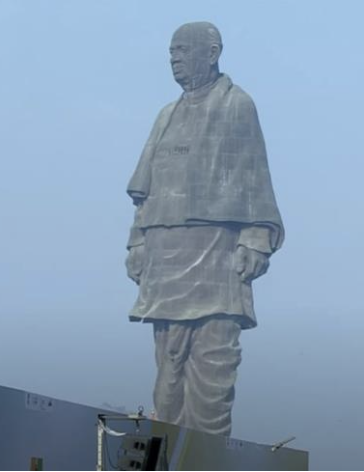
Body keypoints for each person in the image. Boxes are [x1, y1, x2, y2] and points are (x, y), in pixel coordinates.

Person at [125, 22, 284, 436]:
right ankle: (168, 451)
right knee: (168, 374)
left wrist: (255, 237)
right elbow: (145, 193)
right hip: (165, 256)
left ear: (211, 52)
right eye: (171, 51)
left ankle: (205, 457)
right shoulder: (166, 115)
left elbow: (254, 176)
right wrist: (137, 241)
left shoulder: (237, 105)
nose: (174, 58)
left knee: (213, 370)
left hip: (215, 252)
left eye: (182, 50)